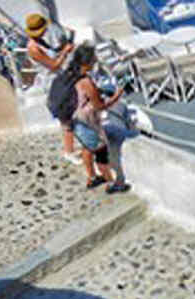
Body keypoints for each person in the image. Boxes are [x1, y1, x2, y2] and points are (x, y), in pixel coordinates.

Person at [69, 45, 130, 193]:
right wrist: (117, 95)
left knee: (86, 148)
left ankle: (92, 177)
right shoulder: (86, 82)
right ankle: (113, 184)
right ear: (87, 61)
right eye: (93, 58)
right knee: (101, 155)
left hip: (76, 120)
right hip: (89, 122)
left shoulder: (72, 74)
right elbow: (100, 106)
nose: (96, 60)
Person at [24, 13, 77, 163]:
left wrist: (63, 47)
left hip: (59, 80)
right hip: (54, 84)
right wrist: (66, 52)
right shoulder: (33, 48)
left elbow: (53, 57)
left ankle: (71, 147)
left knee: (70, 114)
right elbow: (53, 65)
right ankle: (69, 151)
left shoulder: (40, 41)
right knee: (66, 118)